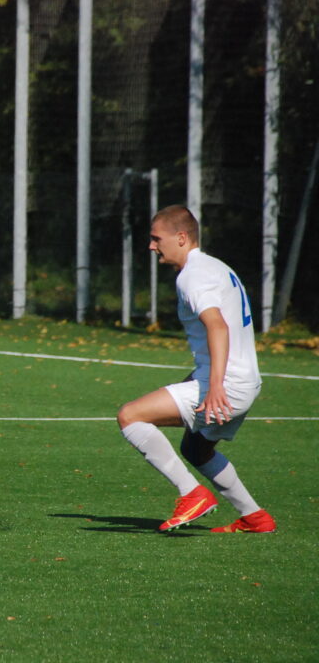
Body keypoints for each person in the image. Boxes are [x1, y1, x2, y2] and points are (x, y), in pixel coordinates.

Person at [115, 205, 276, 533]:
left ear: (181, 237)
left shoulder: (193, 276)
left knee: (130, 416)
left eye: (156, 238)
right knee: (196, 448)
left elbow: (217, 326)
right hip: (244, 380)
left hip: (226, 384)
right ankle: (255, 517)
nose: (151, 246)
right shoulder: (215, 267)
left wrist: (215, 386)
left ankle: (191, 494)